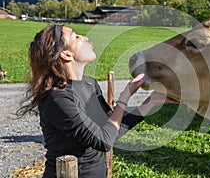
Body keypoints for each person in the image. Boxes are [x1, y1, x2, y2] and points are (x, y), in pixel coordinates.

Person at [17, 24, 178, 177]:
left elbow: (112, 130)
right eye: (76, 36)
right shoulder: (56, 98)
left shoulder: (89, 84)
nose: (85, 37)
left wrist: (151, 102)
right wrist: (125, 97)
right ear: (66, 54)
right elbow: (104, 141)